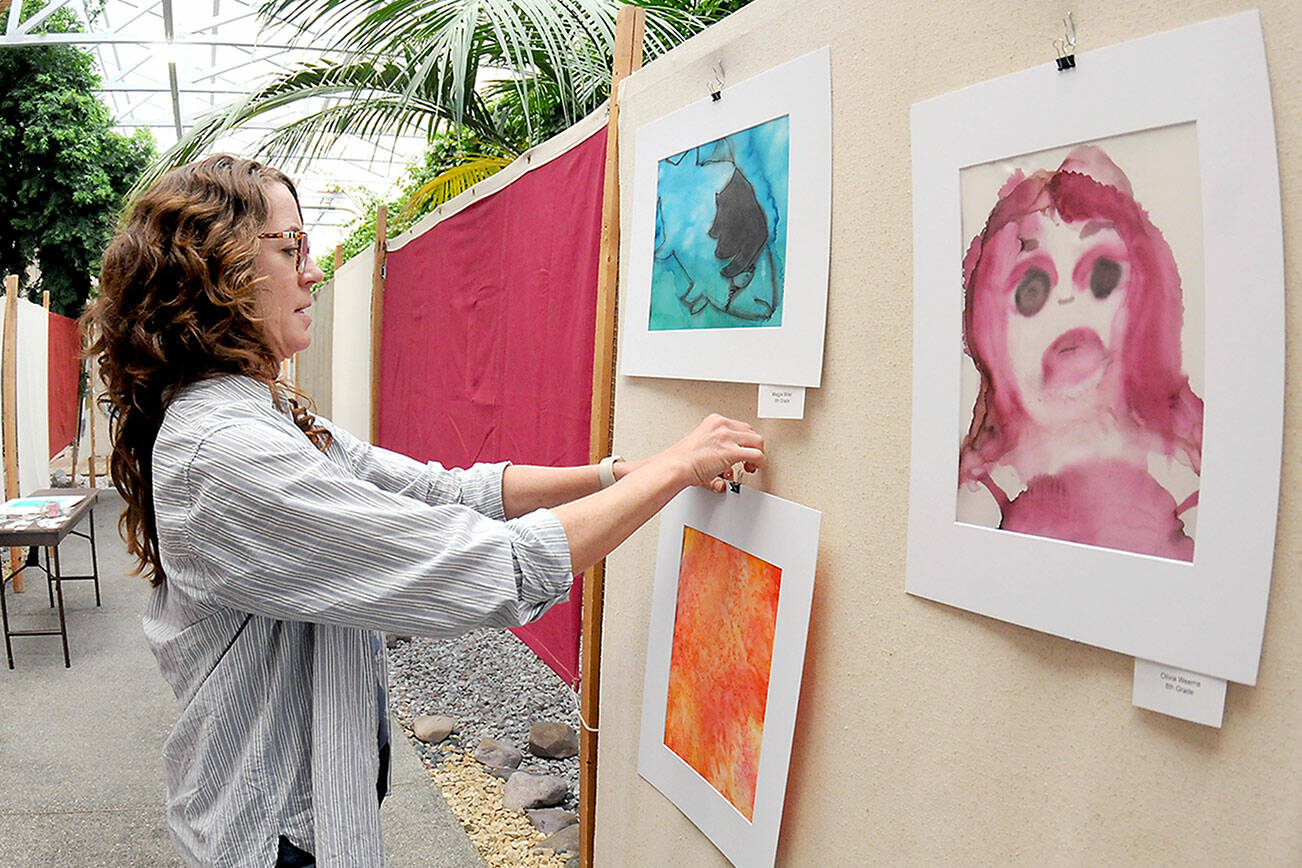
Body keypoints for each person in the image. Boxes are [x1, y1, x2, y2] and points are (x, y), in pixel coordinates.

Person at [85, 154, 765, 867]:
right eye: (291, 251)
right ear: (211, 275)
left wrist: (616, 473)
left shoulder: (262, 412)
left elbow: (442, 491)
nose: (311, 272)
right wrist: (672, 473)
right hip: (270, 839)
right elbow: (484, 566)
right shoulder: (226, 453)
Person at [957, 144, 1202, 561]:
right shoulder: (975, 498)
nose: (1069, 302)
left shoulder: (1193, 483)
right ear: (989, 332)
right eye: (1032, 289)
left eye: (1102, 275)